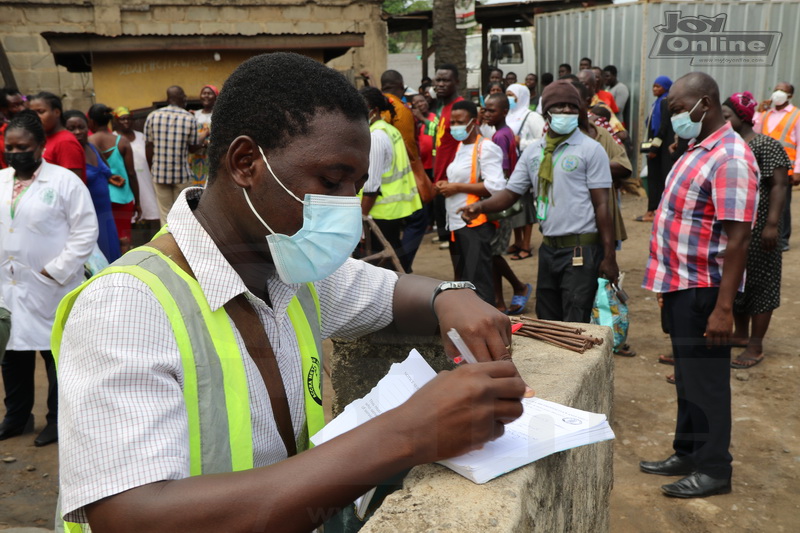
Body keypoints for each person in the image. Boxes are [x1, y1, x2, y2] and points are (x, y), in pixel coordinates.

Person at [55, 52, 531, 532]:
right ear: (245, 163)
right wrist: (407, 434)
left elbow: (393, 294)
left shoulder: (288, 264)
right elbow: (128, 517)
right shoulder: (127, 306)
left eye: (356, 185)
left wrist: (453, 296)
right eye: (330, 181)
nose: (347, 208)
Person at [640, 72, 759, 499]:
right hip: (679, 284)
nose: (673, 115)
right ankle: (687, 451)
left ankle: (714, 469)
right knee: (688, 377)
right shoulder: (697, 149)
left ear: (703, 104)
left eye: (676, 108)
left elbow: (739, 237)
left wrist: (724, 308)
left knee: (707, 382)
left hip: (705, 289)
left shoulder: (729, 157)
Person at [461, 80, 619, 323]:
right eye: (559, 106)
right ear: (546, 112)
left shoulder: (590, 150)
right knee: (548, 318)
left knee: (575, 321)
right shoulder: (534, 152)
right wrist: (480, 206)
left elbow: (602, 205)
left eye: (571, 106)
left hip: (581, 250)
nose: (566, 111)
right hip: (549, 249)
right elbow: (511, 193)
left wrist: (609, 255)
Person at [0, 110, 98, 447]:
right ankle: (16, 416)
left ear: (41, 145)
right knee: (12, 355)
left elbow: (85, 231)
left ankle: (58, 419)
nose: (14, 153)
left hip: (50, 285)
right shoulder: (0, 181)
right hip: (7, 287)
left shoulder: (64, 182)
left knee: (54, 355)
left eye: (22, 146)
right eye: (9, 147)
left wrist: (56, 269)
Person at [722, 92, 791, 369]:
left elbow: (779, 185)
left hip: (761, 226)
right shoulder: (729, 145)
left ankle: (756, 344)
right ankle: (740, 334)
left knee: (762, 283)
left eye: (728, 117)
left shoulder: (765, 145)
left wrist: (772, 225)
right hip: (736, 228)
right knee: (738, 282)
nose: (724, 121)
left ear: (742, 117)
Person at [435, 100, 505, 302]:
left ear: (473, 122)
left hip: (475, 222)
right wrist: (446, 184)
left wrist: (456, 187)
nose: (455, 127)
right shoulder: (460, 146)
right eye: (453, 122)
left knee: (480, 281)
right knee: (467, 281)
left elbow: (496, 186)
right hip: (457, 223)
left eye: (460, 122)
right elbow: (463, 177)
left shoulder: (486, 147)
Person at [359, 87, 424, 272]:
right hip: (393, 207)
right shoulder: (388, 129)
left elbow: (372, 185)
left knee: (385, 262)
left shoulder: (375, 136)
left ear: (373, 109)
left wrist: (361, 219)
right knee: (395, 256)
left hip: (380, 210)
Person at [483, 93, 532, 314]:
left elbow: (500, 171)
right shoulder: (502, 133)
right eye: (485, 109)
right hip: (502, 197)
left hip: (501, 199)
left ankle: (511, 292)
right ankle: (501, 298)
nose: (486, 114)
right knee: (492, 252)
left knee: (493, 252)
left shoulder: (500, 137)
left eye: (491, 110)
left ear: (504, 112)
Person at [380, 70, 427, 272]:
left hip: (375, 185)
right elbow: (410, 149)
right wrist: (420, 176)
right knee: (418, 218)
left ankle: (397, 266)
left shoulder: (375, 105)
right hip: (398, 182)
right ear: (400, 85)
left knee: (389, 232)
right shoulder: (399, 109)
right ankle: (402, 265)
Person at [64, 110, 121, 263]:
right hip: (90, 213)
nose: (77, 132)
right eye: (71, 128)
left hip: (105, 211)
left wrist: (110, 177)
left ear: (87, 127)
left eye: (81, 127)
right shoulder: (71, 155)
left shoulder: (92, 148)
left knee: (112, 253)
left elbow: (105, 168)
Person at [88, 104, 142, 253]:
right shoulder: (122, 141)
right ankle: (123, 271)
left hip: (98, 196)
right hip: (123, 197)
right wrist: (137, 202)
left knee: (102, 238)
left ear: (91, 121)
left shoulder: (88, 143)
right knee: (123, 237)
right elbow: (131, 173)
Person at [144, 85, 201, 224]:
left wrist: (153, 167)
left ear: (168, 98)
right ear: (181, 98)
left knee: (165, 214)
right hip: (181, 175)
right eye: (184, 97)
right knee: (182, 213)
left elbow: (148, 146)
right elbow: (193, 148)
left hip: (159, 173)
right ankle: (181, 243)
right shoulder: (189, 118)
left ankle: (166, 242)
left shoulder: (153, 116)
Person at [754, 82, 800, 251]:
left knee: (782, 203)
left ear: (790, 96)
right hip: (762, 164)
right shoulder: (766, 114)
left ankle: (782, 238)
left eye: (783, 91)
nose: (778, 93)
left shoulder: (796, 115)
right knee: (763, 201)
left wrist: (797, 171)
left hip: (785, 167)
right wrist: (759, 113)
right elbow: (755, 131)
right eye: (776, 90)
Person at [505, 83, 545, 262]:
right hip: (510, 167)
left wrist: (520, 143)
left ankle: (527, 245)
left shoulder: (532, 117)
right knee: (513, 206)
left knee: (526, 207)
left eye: (511, 95)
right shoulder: (508, 115)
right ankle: (518, 241)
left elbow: (543, 140)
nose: (509, 98)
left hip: (526, 167)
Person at [638, 76, 686, 223]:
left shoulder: (665, 103)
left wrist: (654, 148)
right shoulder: (657, 103)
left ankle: (654, 210)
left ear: (666, 87)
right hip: (659, 146)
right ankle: (654, 209)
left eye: (658, 86)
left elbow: (663, 127)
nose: (655, 89)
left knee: (657, 178)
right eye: (653, 86)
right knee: (656, 178)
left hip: (662, 148)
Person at [113, 106, 162, 244]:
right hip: (127, 181)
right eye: (122, 119)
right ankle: (133, 244)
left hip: (145, 180)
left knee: (152, 212)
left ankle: (152, 243)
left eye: (128, 118)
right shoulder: (114, 138)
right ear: (116, 121)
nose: (126, 121)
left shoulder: (141, 136)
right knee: (131, 217)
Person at [432, 64, 465, 251]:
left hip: (454, 180)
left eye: (446, 80)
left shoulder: (459, 108)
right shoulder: (443, 108)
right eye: (438, 80)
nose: (441, 84)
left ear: (457, 82)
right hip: (441, 177)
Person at [28, 92, 85, 182]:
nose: (35, 117)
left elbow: (72, 182)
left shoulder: (65, 141)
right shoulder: (43, 138)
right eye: (32, 113)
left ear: (57, 112)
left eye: (41, 112)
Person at [188, 84, 217, 186]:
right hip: (194, 157)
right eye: (204, 93)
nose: (206, 96)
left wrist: (206, 143)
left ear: (216, 97)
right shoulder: (193, 115)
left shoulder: (217, 116)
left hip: (209, 157)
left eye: (209, 93)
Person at [0, 87, 26, 169]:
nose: (22, 108)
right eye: (15, 105)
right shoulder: (2, 135)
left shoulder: (34, 128)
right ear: (3, 110)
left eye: (22, 103)